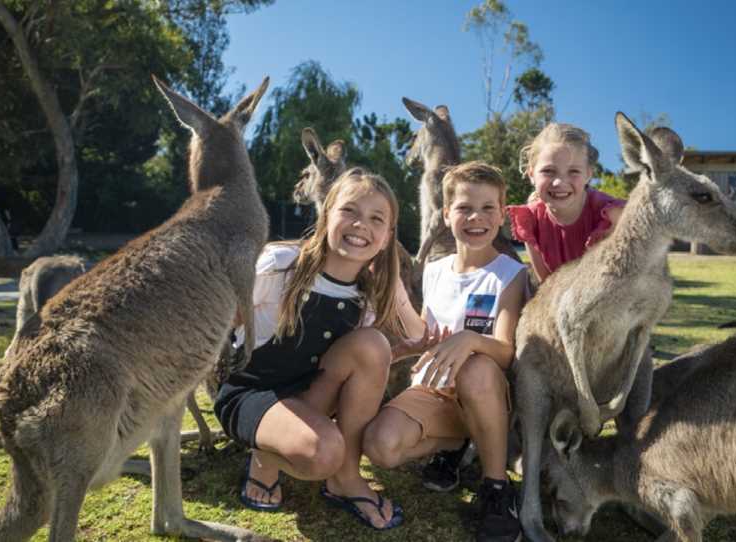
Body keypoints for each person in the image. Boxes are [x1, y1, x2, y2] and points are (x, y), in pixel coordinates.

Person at [214, 168, 417, 530]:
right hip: (253, 392)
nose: (360, 225)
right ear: (327, 214)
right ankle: (264, 457)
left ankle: (346, 478)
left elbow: (402, 342)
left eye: (376, 218)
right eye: (349, 211)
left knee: (373, 344)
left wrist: (395, 289)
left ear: (387, 237)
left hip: (310, 393)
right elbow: (218, 326)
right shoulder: (279, 267)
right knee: (323, 454)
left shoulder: (366, 296)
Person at [363, 161, 529, 542]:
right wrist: (407, 346)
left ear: (502, 214)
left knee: (477, 369)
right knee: (380, 446)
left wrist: (469, 339)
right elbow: (425, 333)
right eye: (464, 208)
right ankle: (457, 443)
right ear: (445, 213)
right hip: (432, 389)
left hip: (484, 392)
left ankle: (497, 489)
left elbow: (505, 352)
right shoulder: (434, 270)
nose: (476, 217)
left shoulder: (509, 273)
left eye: (488, 208)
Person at [507, 123, 625, 283]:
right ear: (531, 174)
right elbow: (547, 285)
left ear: (588, 174)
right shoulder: (529, 220)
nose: (559, 182)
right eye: (548, 171)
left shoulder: (611, 215)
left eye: (574, 171)